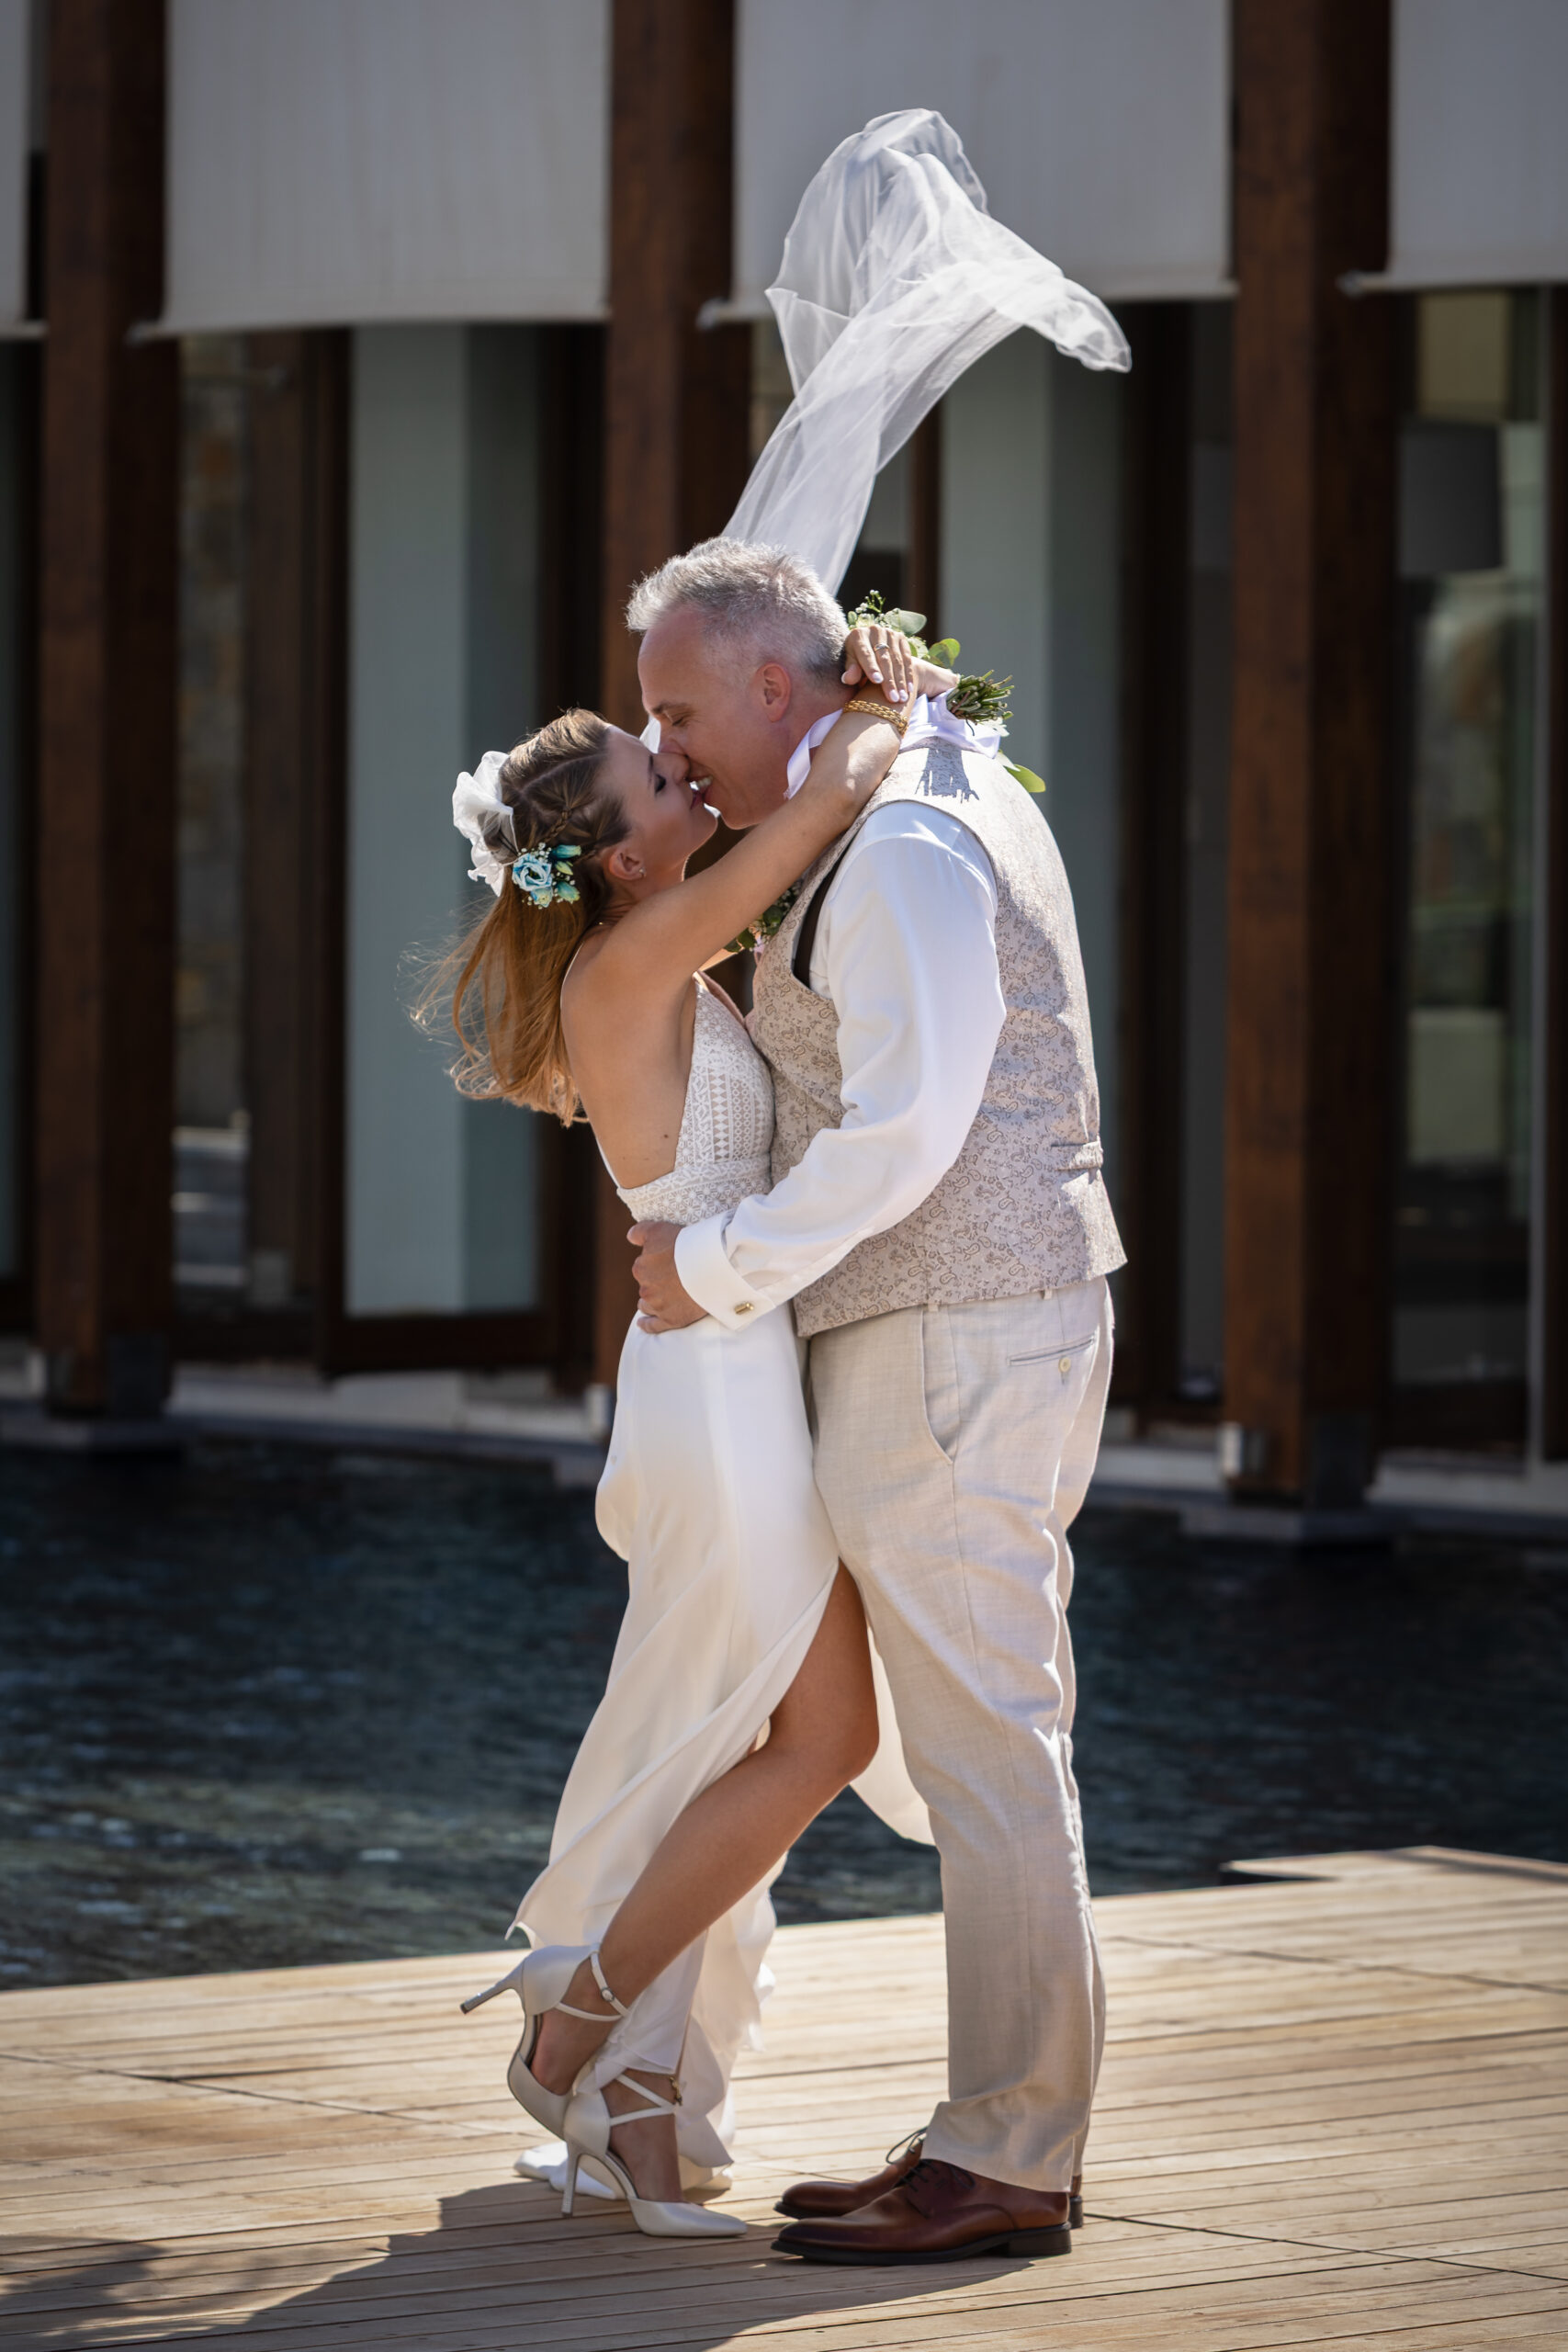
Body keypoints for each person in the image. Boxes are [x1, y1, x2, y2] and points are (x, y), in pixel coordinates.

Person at [629, 535, 1125, 2266]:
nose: (670, 749)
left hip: (953, 1326)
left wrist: (720, 1268)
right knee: (986, 1731)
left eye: (681, 709)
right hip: (978, 1319)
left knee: (990, 1734)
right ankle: (997, 2129)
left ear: (782, 683)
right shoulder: (915, 784)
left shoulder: (905, 843)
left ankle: (1009, 2155)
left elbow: (912, 1126)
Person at [438, 615, 946, 2242]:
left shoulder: (643, 951)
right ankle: (581, 2025)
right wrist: (878, 705)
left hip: (721, 1363)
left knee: (739, 1739)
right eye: (658, 774)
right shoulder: (640, 956)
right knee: (819, 1740)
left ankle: (642, 2112)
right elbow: (822, 811)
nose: (684, 772)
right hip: (719, 1389)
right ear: (624, 859)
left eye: (672, 751)